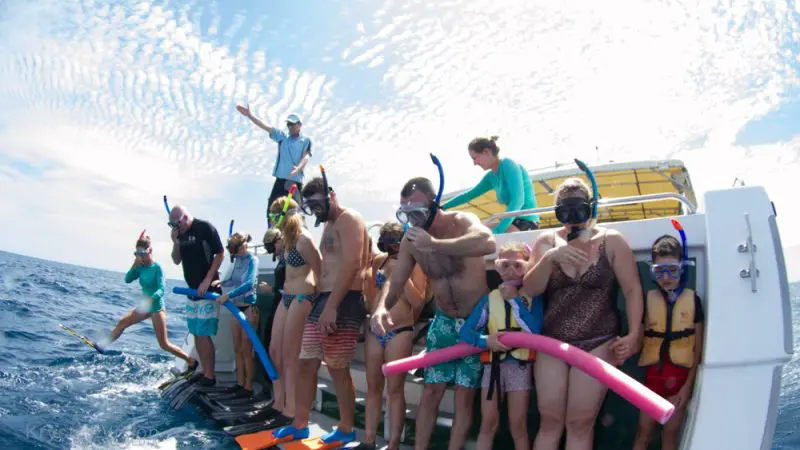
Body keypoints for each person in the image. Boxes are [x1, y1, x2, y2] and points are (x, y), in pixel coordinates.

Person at [371, 176, 497, 450]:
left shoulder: (460, 221)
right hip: (443, 322)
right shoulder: (411, 240)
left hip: (476, 322)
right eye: (406, 213)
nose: (412, 219)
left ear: (434, 205)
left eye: (417, 212)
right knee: (430, 392)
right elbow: (397, 279)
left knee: (464, 396)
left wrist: (435, 245)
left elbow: (488, 242)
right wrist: (382, 307)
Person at [520, 177, 643, 450]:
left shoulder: (611, 241)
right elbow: (530, 288)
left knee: (580, 423)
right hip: (552, 342)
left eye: (578, 211)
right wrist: (550, 258)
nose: (572, 220)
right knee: (550, 421)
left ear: (590, 209)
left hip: (597, 341)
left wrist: (635, 333)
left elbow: (633, 289)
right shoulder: (546, 242)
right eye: (565, 213)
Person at [272, 175, 369, 447]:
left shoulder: (349, 219)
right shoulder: (328, 224)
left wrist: (333, 306)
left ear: (331, 194)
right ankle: (300, 424)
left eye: (316, 203)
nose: (314, 210)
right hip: (324, 300)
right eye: (309, 207)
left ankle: (346, 428)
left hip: (344, 301)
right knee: (306, 362)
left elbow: (352, 264)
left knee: (338, 367)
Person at [460, 241, 543, 450]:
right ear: (497, 267)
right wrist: (485, 341)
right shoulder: (490, 299)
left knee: (518, 425)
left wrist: (515, 301)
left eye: (518, 265)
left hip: (520, 369)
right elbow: (465, 333)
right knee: (488, 422)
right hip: (493, 367)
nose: (511, 271)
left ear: (528, 267)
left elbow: (535, 332)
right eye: (505, 265)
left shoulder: (533, 298)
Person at [632, 235, 704, 450]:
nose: (666, 277)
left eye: (672, 270)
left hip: (679, 382)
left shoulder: (694, 301)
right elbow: (639, 336)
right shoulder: (647, 300)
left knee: (670, 435)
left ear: (682, 269)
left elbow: (697, 350)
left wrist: (686, 389)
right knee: (643, 433)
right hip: (653, 380)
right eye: (659, 271)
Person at [362, 222, 429, 450]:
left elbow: (418, 301)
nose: (392, 244)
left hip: (400, 331)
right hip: (375, 332)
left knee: (394, 390)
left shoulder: (415, 263)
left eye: (395, 239)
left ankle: (393, 444)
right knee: (373, 387)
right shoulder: (378, 262)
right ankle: (369, 439)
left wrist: (399, 274)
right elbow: (371, 297)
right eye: (387, 238)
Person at [101, 233, 197, 371]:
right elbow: (127, 279)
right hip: (145, 307)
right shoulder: (140, 267)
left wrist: (152, 298)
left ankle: (190, 361)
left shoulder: (157, 268)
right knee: (123, 322)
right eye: (137, 253)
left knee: (164, 344)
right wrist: (134, 265)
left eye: (142, 253)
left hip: (156, 308)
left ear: (150, 251)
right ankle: (102, 344)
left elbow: (161, 289)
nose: (140, 256)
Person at [266, 196, 322, 428]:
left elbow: (321, 270)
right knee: (275, 352)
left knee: (290, 356)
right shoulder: (287, 240)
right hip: (286, 297)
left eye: (273, 215)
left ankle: (291, 409)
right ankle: (279, 402)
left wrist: (315, 302)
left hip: (301, 297)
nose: (271, 221)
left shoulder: (304, 239)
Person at [169, 205, 225, 387]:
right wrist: (175, 242)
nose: (176, 229)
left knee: (203, 333)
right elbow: (176, 260)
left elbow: (220, 254)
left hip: (207, 292)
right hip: (192, 292)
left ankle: (210, 376)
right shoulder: (179, 234)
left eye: (177, 224)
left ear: (185, 217)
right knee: (195, 333)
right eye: (172, 226)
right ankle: (204, 372)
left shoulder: (204, 228)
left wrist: (207, 280)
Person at [441, 136, 538, 234]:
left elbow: (518, 200)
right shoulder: (491, 177)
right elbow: (469, 195)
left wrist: (499, 229)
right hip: (513, 221)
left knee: (478, 236)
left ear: (486, 152)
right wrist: (441, 207)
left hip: (526, 221)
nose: (474, 163)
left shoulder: (508, 164)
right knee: (466, 232)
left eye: (475, 158)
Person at [236, 104, 312, 223]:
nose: (290, 126)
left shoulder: (305, 141)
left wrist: (299, 167)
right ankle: (272, 236)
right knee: (271, 210)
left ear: (300, 124)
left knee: (297, 213)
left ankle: (298, 236)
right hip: (280, 181)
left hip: (295, 182)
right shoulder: (282, 137)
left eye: (292, 124)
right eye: (288, 124)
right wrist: (250, 116)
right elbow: (265, 126)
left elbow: (306, 156)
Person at [212, 232, 259, 397]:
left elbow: (249, 284)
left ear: (242, 246)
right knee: (237, 349)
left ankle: (248, 386)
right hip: (236, 309)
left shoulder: (253, 260)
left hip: (248, 309)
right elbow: (233, 279)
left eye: (235, 250)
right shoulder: (238, 260)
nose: (235, 254)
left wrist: (228, 296)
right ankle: (239, 383)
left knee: (247, 350)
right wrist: (221, 283)